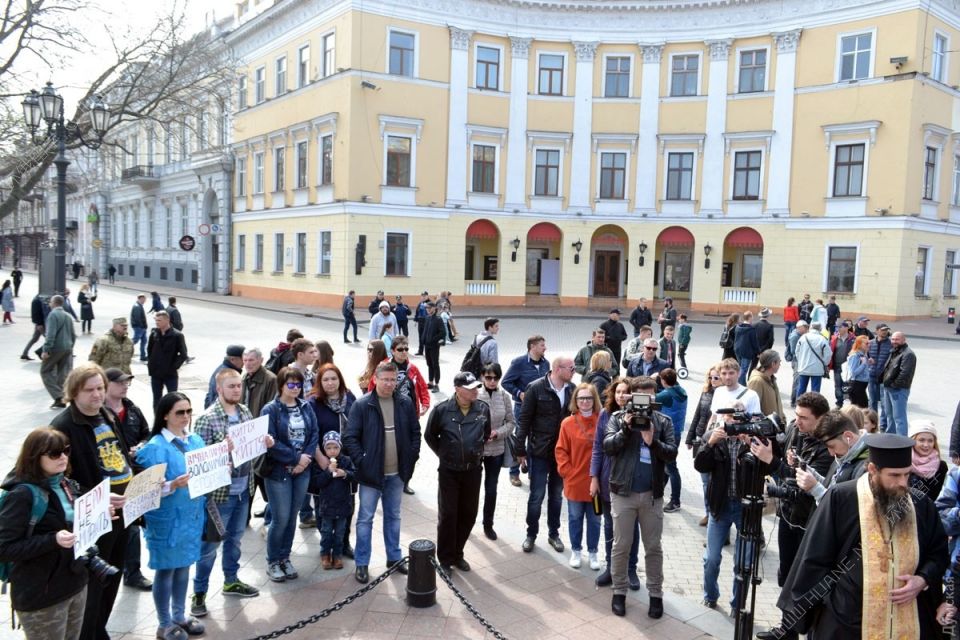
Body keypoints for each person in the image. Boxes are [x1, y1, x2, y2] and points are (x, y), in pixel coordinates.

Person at [777, 434, 948, 639]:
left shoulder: (921, 505)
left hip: (906, 620)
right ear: (873, 470)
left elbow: (938, 554)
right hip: (846, 622)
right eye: (894, 475)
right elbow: (814, 558)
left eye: (907, 475)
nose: (903, 483)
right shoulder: (841, 498)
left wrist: (923, 579)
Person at [51, 363, 132, 640]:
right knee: (94, 582)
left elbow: (120, 456)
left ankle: (100, 629)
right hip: (95, 516)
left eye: (100, 388)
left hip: (123, 510)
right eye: (90, 390)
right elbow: (59, 479)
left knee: (113, 575)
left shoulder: (106, 414)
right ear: (74, 392)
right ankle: (90, 633)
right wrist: (94, 496)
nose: (98, 395)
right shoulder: (63, 426)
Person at [191, 370, 273, 618]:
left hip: (243, 491)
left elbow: (251, 446)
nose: (237, 390)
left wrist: (264, 441)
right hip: (219, 496)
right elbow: (199, 460)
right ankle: (199, 592)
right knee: (209, 546)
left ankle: (231, 580)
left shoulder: (246, 411)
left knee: (235, 540)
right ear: (219, 389)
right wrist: (220, 451)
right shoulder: (207, 419)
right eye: (231, 386)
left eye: (239, 386)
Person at [750, 392, 832, 640]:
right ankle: (787, 629)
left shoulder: (828, 449)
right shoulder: (796, 431)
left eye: (804, 418)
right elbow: (789, 470)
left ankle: (800, 628)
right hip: (788, 515)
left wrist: (772, 461)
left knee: (802, 581)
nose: (797, 422)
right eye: (796, 416)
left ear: (821, 420)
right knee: (786, 574)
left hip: (809, 523)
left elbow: (804, 486)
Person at [0, 427, 88, 640]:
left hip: (74, 583)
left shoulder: (65, 483)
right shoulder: (21, 495)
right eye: (55, 454)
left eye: (66, 450)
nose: (63, 457)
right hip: (41, 594)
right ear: (34, 457)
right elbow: (4, 548)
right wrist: (52, 540)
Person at [603, 375, 677, 619]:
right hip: (623, 493)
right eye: (641, 396)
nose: (646, 402)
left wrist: (651, 441)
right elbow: (608, 446)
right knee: (621, 546)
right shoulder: (617, 418)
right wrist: (626, 428)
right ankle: (619, 592)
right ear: (632, 397)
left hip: (652, 496)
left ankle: (655, 595)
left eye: (651, 395)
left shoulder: (663, 421)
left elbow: (671, 454)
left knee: (653, 547)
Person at [136, 392, 207, 640]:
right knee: (166, 569)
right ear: (165, 415)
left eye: (189, 411)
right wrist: (171, 486)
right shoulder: (155, 448)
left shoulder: (195, 440)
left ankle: (180, 615)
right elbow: (144, 492)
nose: (186, 417)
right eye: (180, 412)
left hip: (191, 516)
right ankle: (164, 622)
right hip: (166, 519)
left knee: (184, 565)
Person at [343, 362, 421, 583]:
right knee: (365, 519)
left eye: (392, 379)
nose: (389, 384)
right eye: (385, 379)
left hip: (397, 474)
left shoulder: (405, 403)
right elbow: (350, 438)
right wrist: (362, 461)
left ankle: (394, 558)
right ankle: (362, 563)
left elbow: (415, 432)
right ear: (375, 379)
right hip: (370, 476)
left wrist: (411, 457)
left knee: (394, 516)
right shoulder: (362, 405)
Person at [693, 358, 761, 610]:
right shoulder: (715, 437)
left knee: (742, 563)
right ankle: (710, 596)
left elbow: (767, 464)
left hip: (744, 508)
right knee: (711, 558)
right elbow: (700, 466)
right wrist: (709, 443)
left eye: (737, 417)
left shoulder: (752, 440)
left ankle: (737, 603)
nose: (732, 421)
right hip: (719, 507)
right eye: (728, 416)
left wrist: (751, 443)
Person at [425, 371, 491, 572]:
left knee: (468, 514)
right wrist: (445, 454)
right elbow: (430, 436)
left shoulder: (482, 409)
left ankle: (458, 553)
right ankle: (445, 559)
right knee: (448, 515)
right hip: (449, 472)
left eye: (476, 387)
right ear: (457, 389)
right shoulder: (442, 410)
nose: (475, 391)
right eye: (470, 388)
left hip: (473, 470)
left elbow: (485, 434)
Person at [260, 367, 319, 582]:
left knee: (292, 517)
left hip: (302, 471)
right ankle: (273, 560)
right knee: (281, 518)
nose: (295, 389)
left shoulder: (305, 406)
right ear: (282, 386)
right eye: (291, 384)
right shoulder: (271, 410)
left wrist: (306, 459)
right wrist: (296, 458)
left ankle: (285, 557)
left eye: (299, 384)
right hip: (279, 472)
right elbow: (270, 442)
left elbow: (314, 434)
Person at [513, 356, 576, 553]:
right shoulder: (535, 387)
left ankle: (553, 534)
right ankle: (531, 534)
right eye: (571, 368)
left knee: (556, 496)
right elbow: (524, 420)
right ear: (558, 369)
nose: (574, 371)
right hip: (539, 451)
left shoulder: (572, 389)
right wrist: (519, 449)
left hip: (562, 454)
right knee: (536, 496)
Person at [102, 368, 152, 592]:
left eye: (127, 382)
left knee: (132, 527)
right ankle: (108, 570)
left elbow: (146, 434)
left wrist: (140, 446)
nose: (125, 386)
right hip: (108, 482)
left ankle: (132, 572)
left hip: (131, 475)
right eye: (120, 382)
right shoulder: (99, 415)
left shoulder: (132, 410)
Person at [590, 378, 642, 588]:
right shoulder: (605, 414)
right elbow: (597, 448)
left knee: (632, 528)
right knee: (610, 526)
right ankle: (611, 568)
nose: (621, 396)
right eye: (618, 392)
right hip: (607, 479)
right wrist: (593, 478)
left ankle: (631, 569)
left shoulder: (640, 417)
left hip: (629, 481)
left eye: (626, 392)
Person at [368, 336, 429, 495]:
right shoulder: (384, 367)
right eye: (400, 349)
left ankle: (405, 480)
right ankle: (382, 480)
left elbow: (422, 386)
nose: (404, 352)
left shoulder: (412, 368)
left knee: (409, 450)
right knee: (386, 448)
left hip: (409, 414)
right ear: (393, 351)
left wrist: (425, 403)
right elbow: (371, 388)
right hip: (386, 412)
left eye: (406, 349)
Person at [309, 363, 357, 558]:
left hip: (347, 463)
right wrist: (321, 460)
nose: (330, 383)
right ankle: (327, 546)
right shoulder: (314, 403)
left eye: (333, 378)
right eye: (325, 379)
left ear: (340, 380)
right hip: (323, 465)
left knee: (348, 505)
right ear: (320, 382)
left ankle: (344, 543)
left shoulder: (350, 398)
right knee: (323, 507)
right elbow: (311, 435)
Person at [556, 383, 602, 571]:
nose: (585, 402)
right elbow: (561, 451)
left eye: (588, 398)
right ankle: (576, 550)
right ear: (575, 400)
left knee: (595, 520)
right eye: (581, 398)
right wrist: (567, 472)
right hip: (575, 482)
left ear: (594, 400)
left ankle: (593, 552)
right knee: (575, 518)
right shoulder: (567, 423)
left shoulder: (603, 420)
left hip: (596, 483)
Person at [502, 335, 550, 487]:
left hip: (540, 408)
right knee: (520, 438)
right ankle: (514, 473)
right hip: (522, 408)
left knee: (535, 440)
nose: (545, 348)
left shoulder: (545, 363)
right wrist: (519, 393)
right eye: (542, 345)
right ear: (532, 347)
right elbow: (505, 382)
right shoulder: (519, 362)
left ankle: (532, 472)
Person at [794, 409, 870, 506]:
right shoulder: (846, 454)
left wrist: (815, 488)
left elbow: (849, 510)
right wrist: (811, 474)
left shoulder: (867, 467)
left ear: (848, 437)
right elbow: (831, 486)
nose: (831, 453)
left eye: (832, 446)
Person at [476, 363, 516, 541]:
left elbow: (511, 423)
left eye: (495, 378)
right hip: (476, 450)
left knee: (491, 489)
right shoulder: (475, 394)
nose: (492, 381)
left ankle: (488, 524)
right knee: (472, 489)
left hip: (497, 450)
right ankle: (466, 521)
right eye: (488, 377)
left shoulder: (504, 396)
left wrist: (498, 433)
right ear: (482, 377)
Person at [313, 431, 355, 570]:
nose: (332, 451)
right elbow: (318, 482)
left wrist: (345, 474)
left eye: (335, 447)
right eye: (329, 448)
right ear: (324, 449)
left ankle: (337, 555)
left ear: (340, 447)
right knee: (326, 532)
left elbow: (354, 475)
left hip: (343, 505)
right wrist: (328, 472)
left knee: (339, 533)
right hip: (327, 506)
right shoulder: (321, 464)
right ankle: (325, 554)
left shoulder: (346, 461)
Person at [686, 364, 722, 526]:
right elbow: (697, 414)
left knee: (715, 480)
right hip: (701, 438)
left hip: (717, 440)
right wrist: (689, 436)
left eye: (716, 378)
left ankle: (715, 514)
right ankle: (708, 513)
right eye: (711, 377)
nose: (713, 380)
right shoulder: (705, 392)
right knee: (705, 480)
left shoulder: (724, 396)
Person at [655, 368, 687, 513]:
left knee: (671, 467)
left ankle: (675, 500)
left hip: (668, 433)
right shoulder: (681, 391)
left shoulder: (666, 394)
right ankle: (660, 492)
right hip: (677, 433)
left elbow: (650, 399)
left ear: (663, 380)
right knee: (668, 466)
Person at [147, 311, 188, 410]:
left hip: (170, 374)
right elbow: (149, 350)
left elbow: (183, 355)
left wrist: (173, 366)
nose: (157, 323)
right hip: (156, 373)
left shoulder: (177, 335)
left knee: (173, 399)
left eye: (159, 320)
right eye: (156, 320)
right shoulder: (154, 334)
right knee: (156, 399)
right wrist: (151, 363)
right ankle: (158, 421)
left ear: (167, 320)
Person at [41, 295, 76, 409]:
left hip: (56, 348)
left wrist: (46, 349)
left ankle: (58, 397)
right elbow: (73, 335)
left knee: (45, 371)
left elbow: (50, 334)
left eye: (50, 302)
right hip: (68, 348)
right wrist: (70, 347)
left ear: (54, 303)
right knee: (63, 374)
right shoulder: (68, 315)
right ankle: (65, 397)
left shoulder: (53, 315)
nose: (49, 304)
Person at [881, 331, 916, 437]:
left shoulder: (908, 354)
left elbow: (905, 373)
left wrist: (894, 385)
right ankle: (890, 437)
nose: (894, 341)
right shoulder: (895, 351)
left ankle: (902, 440)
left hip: (898, 389)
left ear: (904, 340)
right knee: (889, 415)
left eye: (897, 339)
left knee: (899, 417)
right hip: (888, 388)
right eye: (893, 339)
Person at [909, 421, 947, 501]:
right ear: (913, 440)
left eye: (930, 441)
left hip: (925, 508)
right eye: (921, 440)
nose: (926, 445)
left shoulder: (940, 466)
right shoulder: (903, 461)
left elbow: (932, 496)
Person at [794, 321, 832, 398]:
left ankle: (799, 405)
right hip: (817, 369)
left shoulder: (803, 337)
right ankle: (813, 407)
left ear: (811, 327)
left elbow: (797, 351)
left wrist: (801, 361)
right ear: (820, 329)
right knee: (815, 391)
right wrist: (824, 363)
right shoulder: (822, 339)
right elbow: (828, 354)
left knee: (801, 388)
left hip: (803, 367)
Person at [747, 349, 785, 425]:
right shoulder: (757, 381)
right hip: (766, 429)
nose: (780, 365)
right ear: (773, 363)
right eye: (779, 362)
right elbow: (752, 409)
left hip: (776, 426)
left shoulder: (771, 378)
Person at [241, 347, 278, 419]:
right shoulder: (244, 378)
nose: (247, 364)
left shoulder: (271, 379)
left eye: (251, 360)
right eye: (245, 360)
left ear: (261, 360)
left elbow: (272, 407)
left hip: (261, 423)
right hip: (245, 424)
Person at [204, 344, 245, 409]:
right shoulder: (227, 374)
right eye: (243, 359)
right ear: (232, 359)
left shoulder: (224, 368)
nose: (245, 362)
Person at [867, 322, 892, 421]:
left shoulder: (891, 344)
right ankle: (873, 422)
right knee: (872, 401)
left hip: (884, 377)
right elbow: (865, 355)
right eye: (882, 330)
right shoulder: (870, 343)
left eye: (886, 330)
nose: (885, 332)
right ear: (877, 331)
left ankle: (882, 423)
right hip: (872, 375)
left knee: (884, 402)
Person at [830, 321, 855, 407]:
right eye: (837, 327)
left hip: (848, 367)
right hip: (837, 366)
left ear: (846, 328)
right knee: (837, 385)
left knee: (847, 386)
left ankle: (850, 403)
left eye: (839, 327)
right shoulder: (834, 338)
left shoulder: (853, 339)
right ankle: (839, 403)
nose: (837, 329)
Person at [421, 301, 445, 391]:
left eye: (429, 308)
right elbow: (425, 331)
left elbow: (443, 332)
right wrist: (423, 340)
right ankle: (430, 382)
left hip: (434, 346)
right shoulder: (427, 318)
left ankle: (437, 384)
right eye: (426, 308)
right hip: (427, 345)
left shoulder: (438, 319)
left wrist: (433, 339)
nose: (428, 310)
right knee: (429, 364)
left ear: (434, 308)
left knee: (435, 364)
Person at [733, 311, 760, 385]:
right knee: (744, 370)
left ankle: (742, 384)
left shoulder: (738, 327)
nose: (753, 319)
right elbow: (754, 343)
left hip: (737, 350)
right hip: (746, 352)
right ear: (749, 318)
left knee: (741, 368)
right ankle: (740, 386)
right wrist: (758, 352)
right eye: (752, 317)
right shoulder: (751, 330)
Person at [21, 293, 49, 361]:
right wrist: (39, 324)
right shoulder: (37, 301)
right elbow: (36, 313)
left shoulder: (37, 299)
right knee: (48, 339)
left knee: (34, 339)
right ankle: (41, 352)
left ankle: (25, 353)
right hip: (41, 323)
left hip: (40, 323)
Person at [845, 335, 871, 408]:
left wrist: (867, 363)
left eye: (869, 343)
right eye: (866, 343)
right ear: (859, 344)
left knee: (862, 408)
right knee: (861, 409)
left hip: (861, 385)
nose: (869, 345)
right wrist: (863, 364)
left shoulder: (863, 354)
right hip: (857, 385)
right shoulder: (855, 355)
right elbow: (853, 372)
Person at [599, 309, 627, 374]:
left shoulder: (620, 325)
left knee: (617, 366)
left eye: (619, 315)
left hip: (617, 350)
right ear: (612, 315)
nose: (618, 316)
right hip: (607, 350)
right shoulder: (604, 325)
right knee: (605, 366)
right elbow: (599, 336)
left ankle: (616, 381)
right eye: (617, 315)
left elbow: (625, 335)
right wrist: (608, 338)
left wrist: (620, 338)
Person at [130, 294, 149, 361]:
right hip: (139, 327)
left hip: (141, 327)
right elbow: (137, 318)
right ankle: (125, 349)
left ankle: (143, 356)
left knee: (144, 341)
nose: (144, 301)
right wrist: (142, 326)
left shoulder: (139, 306)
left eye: (145, 299)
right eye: (143, 299)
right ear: (139, 299)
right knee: (135, 340)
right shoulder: (137, 306)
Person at [413, 291, 429, 356]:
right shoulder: (420, 303)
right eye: (422, 296)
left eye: (425, 296)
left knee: (427, 337)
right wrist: (415, 320)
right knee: (421, 337)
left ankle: (427, 352)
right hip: (420, 322)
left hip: (427, 322)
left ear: (427, 296)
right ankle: (420, 351)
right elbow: (417, 312)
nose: (423, 297)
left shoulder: (430, 303)